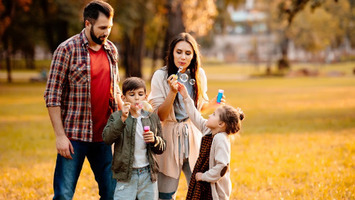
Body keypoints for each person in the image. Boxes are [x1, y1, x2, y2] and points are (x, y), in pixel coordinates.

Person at [44, 1, 122, 199]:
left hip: (105, 137)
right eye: (102, 28)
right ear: (88, 24)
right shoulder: (66, 50)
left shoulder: (111, 50)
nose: (107, 32)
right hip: (74, 137)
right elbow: (52, 95)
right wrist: (60, 136)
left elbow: (115, 89)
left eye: (110, 28)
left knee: (112, 193)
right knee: (63, 194)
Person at [148, 32, 223, 200]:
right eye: (179, 52)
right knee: (165, 194)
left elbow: (196, 109)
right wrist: (172, 93)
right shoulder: (160, 76)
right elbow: (160, 115)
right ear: (171, 53)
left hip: (194, 138)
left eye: (188, 53)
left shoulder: (198, 75)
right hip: (168, 139)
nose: (183, 57)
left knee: (200, 191)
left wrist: (212, 104)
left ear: (193, 56)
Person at [102, 77, 166, 200]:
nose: (137, 98)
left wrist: (154, 140)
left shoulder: (152, 117)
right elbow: (107, 138)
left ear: (145, 97)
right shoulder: (117, 117)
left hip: (148, 174)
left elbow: (162, 146)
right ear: (124, 98)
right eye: (132, 94)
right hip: (126, 175)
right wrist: (122, 120)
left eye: (140, 94)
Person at [178, 83, 244, 200]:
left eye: (213, 115)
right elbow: (194, 115)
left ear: (221, 124)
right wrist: (186, 97)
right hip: (203, 182)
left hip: (212, 188)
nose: (209, 116)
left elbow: (222, 167)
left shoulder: (221, 139)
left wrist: (204, 176)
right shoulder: (209, 130)